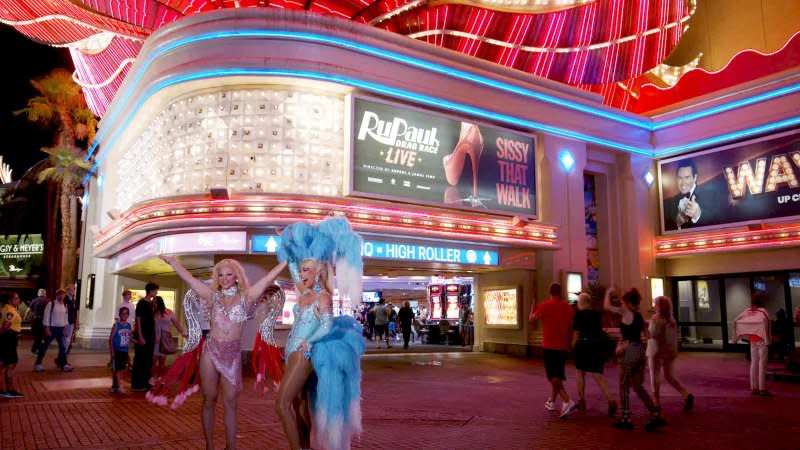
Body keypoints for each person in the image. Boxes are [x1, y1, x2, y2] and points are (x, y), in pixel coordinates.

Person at [160, 255, 285, 450]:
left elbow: (268, 278)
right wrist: (173, 262)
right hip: (211, 352)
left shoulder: (247, 296)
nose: (225, 278)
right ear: (217, 277)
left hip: (232, 356)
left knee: (230, 403)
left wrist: (287, 261)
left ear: (236, 276)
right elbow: (190, 280)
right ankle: (210, 445)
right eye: (221, 275)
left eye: (229, 274)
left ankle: (231, 446)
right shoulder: (212, 296)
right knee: (209, 399)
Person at [274, 217, 365, 450]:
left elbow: (325, 326)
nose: (301, 274)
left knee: (281, 404)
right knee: (299, 407)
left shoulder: (322, 296)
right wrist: (288, 241)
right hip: (292, 351)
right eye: (302, 269)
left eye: (306, 270)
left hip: (304, 353)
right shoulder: (305, 292)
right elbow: (293, 266)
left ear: (317, 272)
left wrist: (309, 340)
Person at [604, 287, 663, 431]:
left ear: (629, 303)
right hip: (640, 351)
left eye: (624, 302)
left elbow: (607, 307)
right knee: (637, 385)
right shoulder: (638, 316)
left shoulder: (626, 312)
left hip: (630, 350)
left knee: (623, 383)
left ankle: (626, 417)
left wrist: (608, 293)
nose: (622, 305)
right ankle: (654, 413)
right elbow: (647, 335)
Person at [529, 283, 576, 419]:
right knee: (558, 375)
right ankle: (552, 402)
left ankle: (567, 400)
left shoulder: (545, 306)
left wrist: (532, 307)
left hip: (549, 346)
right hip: (563, 346)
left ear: (550, 292)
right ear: (560, 292)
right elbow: (571, 327)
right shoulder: (567, 307)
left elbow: (531, 319)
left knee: (553, 377)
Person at [571, 292, 616, 416]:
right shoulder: (596, 315)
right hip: (597, 346)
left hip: (584, 345)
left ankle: (581, 399)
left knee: (580, 371)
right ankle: (610, 399)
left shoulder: (579, 315)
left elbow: (576, 333)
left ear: (581, 303)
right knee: (597, 374)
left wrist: (573, 346)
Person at [647, 295, 693, 412]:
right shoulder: (671, 320)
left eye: (655, 304)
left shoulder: (656, 319)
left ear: (659, 306)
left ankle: (656, 401)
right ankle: (685, 394)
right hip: (669, 351)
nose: (654, 306)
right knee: (669, 375)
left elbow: (652, 334)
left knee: (654, 374)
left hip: (656, 350)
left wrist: (646, 326)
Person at [733, 293, 772, 396]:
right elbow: (767, 325)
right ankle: (762, 389)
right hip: (762, 340)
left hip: (752, 340)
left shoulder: (748, 311)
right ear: (761, 301)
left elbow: (736, 320)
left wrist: (737, 336)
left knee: (754, 363)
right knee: (762, 364)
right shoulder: (763, 311)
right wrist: (768, 340)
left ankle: (754, 388)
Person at [664, 159, 719, 231]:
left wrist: (698, 214)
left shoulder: (709, 194)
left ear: (695, 178)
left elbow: (717, 221)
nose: (683, 182)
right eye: (680, 178)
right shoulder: (668, 203)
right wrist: (677, 224)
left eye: (687, 177)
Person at [35, 289, 72, 372]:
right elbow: (46, 316)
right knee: (45, 346)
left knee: (63, 347)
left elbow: (65, 318)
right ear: (57, 295)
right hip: (52, 328)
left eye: (63, 295)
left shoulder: (65, 305)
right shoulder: (51, 304)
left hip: (61, 329)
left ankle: (63, 364)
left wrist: (66, 328)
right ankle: (38, 364)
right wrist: (47, 328)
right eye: (60, 294)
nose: (61, 296)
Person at [131, 282, 158, 391]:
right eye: (155, 290)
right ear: (150, 291)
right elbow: (139, 319)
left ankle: (145, 381)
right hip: (143, 334)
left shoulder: (150, 304)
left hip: (150, 335)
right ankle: (137, 384)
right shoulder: (141, 303)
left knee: (148, 359)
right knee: (140, 359)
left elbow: (152, 321)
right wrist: (141, 336)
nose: (156, 292)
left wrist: (155, 335)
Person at [153, 296, 187, 380]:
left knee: (162, 359)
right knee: (153, 359)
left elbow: (176, 324)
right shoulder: (152, 312)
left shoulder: (169, 312)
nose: (154, 303)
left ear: (160, 302)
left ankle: (160, 377)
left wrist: (183, 333)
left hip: (165, 338)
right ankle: (152, 377)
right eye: (153, 302)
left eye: (155, 302)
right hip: (155, 338)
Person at [0, 291, 24, 398]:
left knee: (3, 363)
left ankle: (3, 390)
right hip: (8, 339)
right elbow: (5, 326)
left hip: (7, 338)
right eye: (16, 298)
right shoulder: (11, 311)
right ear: (10, 300)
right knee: (11, 363)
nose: (18, 300)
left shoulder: (4, 308)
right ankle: (10, 390)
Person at [109, 306, 133, 394]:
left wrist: (137, 341)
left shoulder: (129, 325)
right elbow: (111, 338)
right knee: (118, 368)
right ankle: (119, 386)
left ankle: (114, 386)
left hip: (124, 349)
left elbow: (129, 337)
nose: (124, 315)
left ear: (128, 315)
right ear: (119, 314)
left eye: (126, 313)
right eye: (123, 313)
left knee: (119, 368)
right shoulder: (116, 325)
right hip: (117, 349)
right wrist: (112, 352)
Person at [29, 289, 49, 355]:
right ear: (45, 294)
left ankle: (35, 349)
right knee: (42, 336)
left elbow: (29, 309)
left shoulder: (34, 300)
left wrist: (27, 316)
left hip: (36, 320)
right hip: (44, 320)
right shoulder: (47, 301)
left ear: (38, 294)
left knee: (37, 336)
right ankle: (36, 349)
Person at [64, 284, 79, 353]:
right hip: (65, 322)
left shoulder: (74, 300)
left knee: (69, 337)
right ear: (68, 291)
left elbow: (76, 311)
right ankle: (64, 350)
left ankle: (66, 350)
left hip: (71, 321)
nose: (74, 291)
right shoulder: (64, 299)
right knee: (65, 337)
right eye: (73, 289)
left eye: (74, 289)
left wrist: (77, 321)